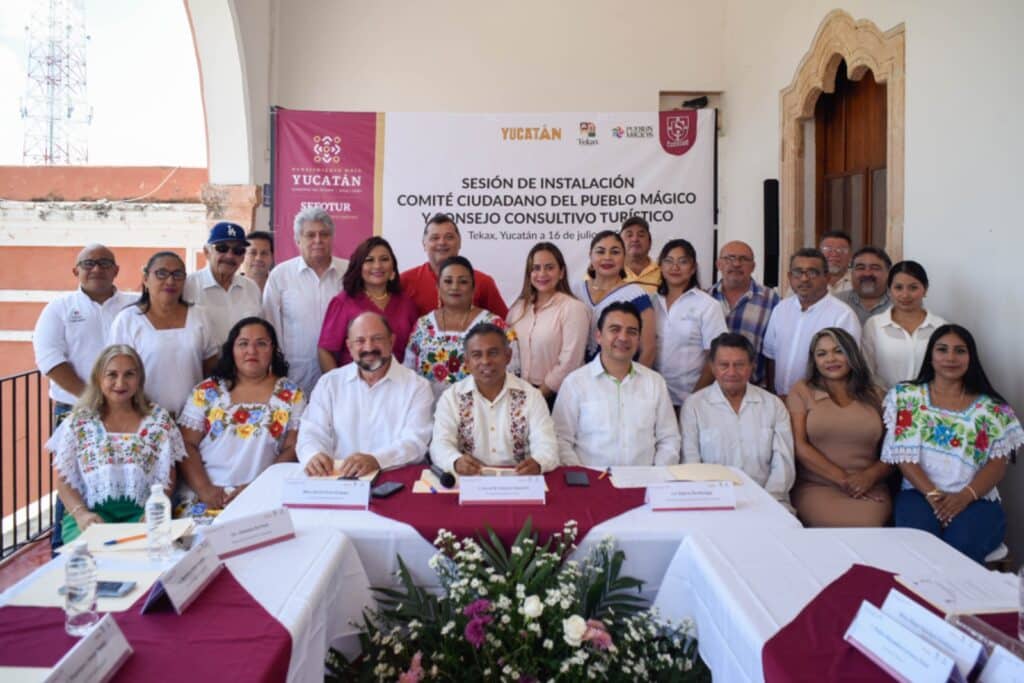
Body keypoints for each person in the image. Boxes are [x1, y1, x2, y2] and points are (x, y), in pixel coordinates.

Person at [881, 325, 1022, 563]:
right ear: (931, 355)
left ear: (971, 357)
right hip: (919, 494)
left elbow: (997, 466)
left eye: (960, 351)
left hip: (977, 499)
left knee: (961, 548)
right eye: (942, 349)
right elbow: (903, 456)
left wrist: (964, 497)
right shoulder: (907, 397)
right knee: (920, 549)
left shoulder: (993, 408)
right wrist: (935, 497)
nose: (950, 358)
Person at [47, 345, 185, 544]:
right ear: (98, 378)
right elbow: (64, 479)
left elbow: (167, 476)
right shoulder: (80, 422)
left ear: (139, 379)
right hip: (92, 517)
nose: (120, 383)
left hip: (142, 516)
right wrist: (81, 514)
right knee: (92, 557)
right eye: (112, 374)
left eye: (129, 374)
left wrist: (153, 513)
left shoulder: (157, 420)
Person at [177, 317, 305, 509]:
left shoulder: (292, 395)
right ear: (231, 350)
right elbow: (186, 444)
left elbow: (293, 448)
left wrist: (258, 488)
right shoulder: (207, 391)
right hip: (206, 498)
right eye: (243, 343)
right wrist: (205, 490)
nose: (251, 351)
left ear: (273, 350)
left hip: (263, 496)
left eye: (261, 344)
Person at [300, 312, 433, 477]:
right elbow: (311, 431)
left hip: (396, 479)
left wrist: (376, 460)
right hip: (338, 480)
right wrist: (313, 455)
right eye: (360, 341)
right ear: (349, 346)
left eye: (377, 338)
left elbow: (416, 442)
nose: (369, 348)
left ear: (391, 341)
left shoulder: (417, 387)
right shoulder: (329, 384)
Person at [553, 302, 680, 467]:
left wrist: (656, 475)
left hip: (645, 479)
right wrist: (582, 476)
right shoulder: (575, 383)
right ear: (599, 336)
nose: (623, 338)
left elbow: (669, 439)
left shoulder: (655, 382)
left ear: (639, 339)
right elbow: (560, 440)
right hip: (591, 480)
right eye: (615, 329)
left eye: (632, 332)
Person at [787, 328, 891, 527]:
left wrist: (869, 477)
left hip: (869, 485)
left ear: (851, 354)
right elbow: (800, 446)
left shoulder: (877, 394)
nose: (830, 359)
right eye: (822, 354)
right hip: (817, 486)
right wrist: (844, 480)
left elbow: (893, 450)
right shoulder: (802, 390)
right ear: (814, 360)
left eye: (838, 351)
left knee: (868, 524)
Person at [681, 333, 795, 507]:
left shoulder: (773, 405)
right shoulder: (694, 406)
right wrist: (712, 500)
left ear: (752, 366)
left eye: (739, 365)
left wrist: (766, 501)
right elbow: (691, 464)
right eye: (724, 365)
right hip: (711, 502)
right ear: (712, 367)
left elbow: (783, 465)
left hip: (769, 501)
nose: (732, 372)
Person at [431, 323, 558, 475]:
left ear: (508, 356)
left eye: (493, 353)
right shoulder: (451, 397)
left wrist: (538, 463)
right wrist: (455, 461)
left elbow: (547, 445)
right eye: (477, 355)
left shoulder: (531, 396)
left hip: (519, 481)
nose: (485, 361)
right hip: (469, 479)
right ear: (467, 361)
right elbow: (439, 445)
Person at [33, 244, 135, 423]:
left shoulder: (135, 305)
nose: (96, 269)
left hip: (129, 408)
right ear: (76, 271)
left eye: (104, 263)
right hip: (74, 407)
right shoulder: (58, 308)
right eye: (88, 263)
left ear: (116, 271)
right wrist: (92, 397)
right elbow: (49, 358)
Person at [109, 251, 219, 415]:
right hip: (143, 416)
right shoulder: (127, 319)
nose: (170, 281)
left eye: (177, 274)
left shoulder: (200, 315)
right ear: (146, 278)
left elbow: (211, 368)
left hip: (193, 417)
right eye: (161, 273)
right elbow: (116, 373)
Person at [263, 207, 348, 395]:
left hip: (341, 375)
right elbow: (270, 326)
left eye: (324, 234)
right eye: (310, 235)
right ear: (298, 240)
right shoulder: (280, 275)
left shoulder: (349, 273)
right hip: (294, 378)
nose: (318, 240)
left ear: (332, 238)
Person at [404, 256, 515, 399]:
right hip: (428, 407)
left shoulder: (493, 324)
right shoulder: (423, 325)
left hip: (480, 407)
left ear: (473, 288)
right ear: (438, 287)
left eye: (463, 282)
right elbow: (408, 372)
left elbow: (512, 370)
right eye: (448, 281)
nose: (455, 287)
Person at [763, 248, 860, 398]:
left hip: (821, 402)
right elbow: (771, 356)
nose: (804, 279)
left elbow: (848, 366)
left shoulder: (843, 315)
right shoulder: (781, 309)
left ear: (827, 277)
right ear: (789, 276)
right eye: (798, 272)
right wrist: (772, 395)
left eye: (812, 272)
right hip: (780, 399)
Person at [506, 242, 590, 408]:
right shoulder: (517, 309)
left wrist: (539, 395)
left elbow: (570, 362)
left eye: (549, 267)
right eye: (536, 268)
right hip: (519, 393)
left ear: (561, 272)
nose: (542, 274)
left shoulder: (574, 308)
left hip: (558, 396)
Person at [317, 236, 419, 371]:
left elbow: (416, 350)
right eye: (369, 260)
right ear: (359, 267)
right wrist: (337, 382)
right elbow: (325, 351)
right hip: (353, 382)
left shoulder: (406, 303)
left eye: (384, 259)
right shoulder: (343, 302)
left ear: (393, 267)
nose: (377, 266)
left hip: (397, 381)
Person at [653, 238, 727, 408]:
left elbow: (716, 357)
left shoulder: (708, 305)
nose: (675, 267)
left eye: (683, 262)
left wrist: (693, 401)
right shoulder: (652, 302)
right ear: (660, 266)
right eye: (669, 261)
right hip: (655, 398)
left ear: (693, 268)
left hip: (691, 398)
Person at [570, 230, 655, 366]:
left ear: (624, 257)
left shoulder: (636, 295)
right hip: (574, 374)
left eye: (615, 252)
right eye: (600, 251)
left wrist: (634, 379)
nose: (607, 257)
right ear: (590, 255)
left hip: (621, 375)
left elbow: (648, 350)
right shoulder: (574, 290)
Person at [399, 213, 508, 317]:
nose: (442, 242)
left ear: (459, 242)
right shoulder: (404, 281)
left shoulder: (483, 282)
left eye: (449, 237)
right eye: (435, 238)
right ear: (424, 244)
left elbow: (505, 326)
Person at [862, 261, 947, 390]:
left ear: (925, 289)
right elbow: (867, 370)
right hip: (884, 399)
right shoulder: (874, 325)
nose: (905, 295)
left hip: (929, 400)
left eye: (913, 288)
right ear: (889, 290)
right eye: (898, 287)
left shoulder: (940, 326)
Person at [708, 240, 780, 387]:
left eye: (743, 259)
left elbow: (774, 351)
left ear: (753, 266)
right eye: (729, 258)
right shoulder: (705, 298)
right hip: (709, 389)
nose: (736, 264)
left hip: (754, 390)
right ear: (718, 264)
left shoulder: (771, 300)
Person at [183, 222, 264, 346]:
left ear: (243, 257)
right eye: (222, 248)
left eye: (237, 251)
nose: (229, 256)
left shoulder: (251, 288)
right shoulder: (187, 286)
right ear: (207, 252)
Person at [836, 246, 892, 324]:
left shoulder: (901, 303)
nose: (867, 273)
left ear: (888, 273)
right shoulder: (837, 302)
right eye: (860, 268)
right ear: (851, 273)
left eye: (875, 268)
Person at [619, 216, 661, 292]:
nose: (635, 239)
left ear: (650, 243)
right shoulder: (611, 271)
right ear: (619, 243)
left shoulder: (663, 272)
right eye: (629, 235)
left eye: (641, 235)